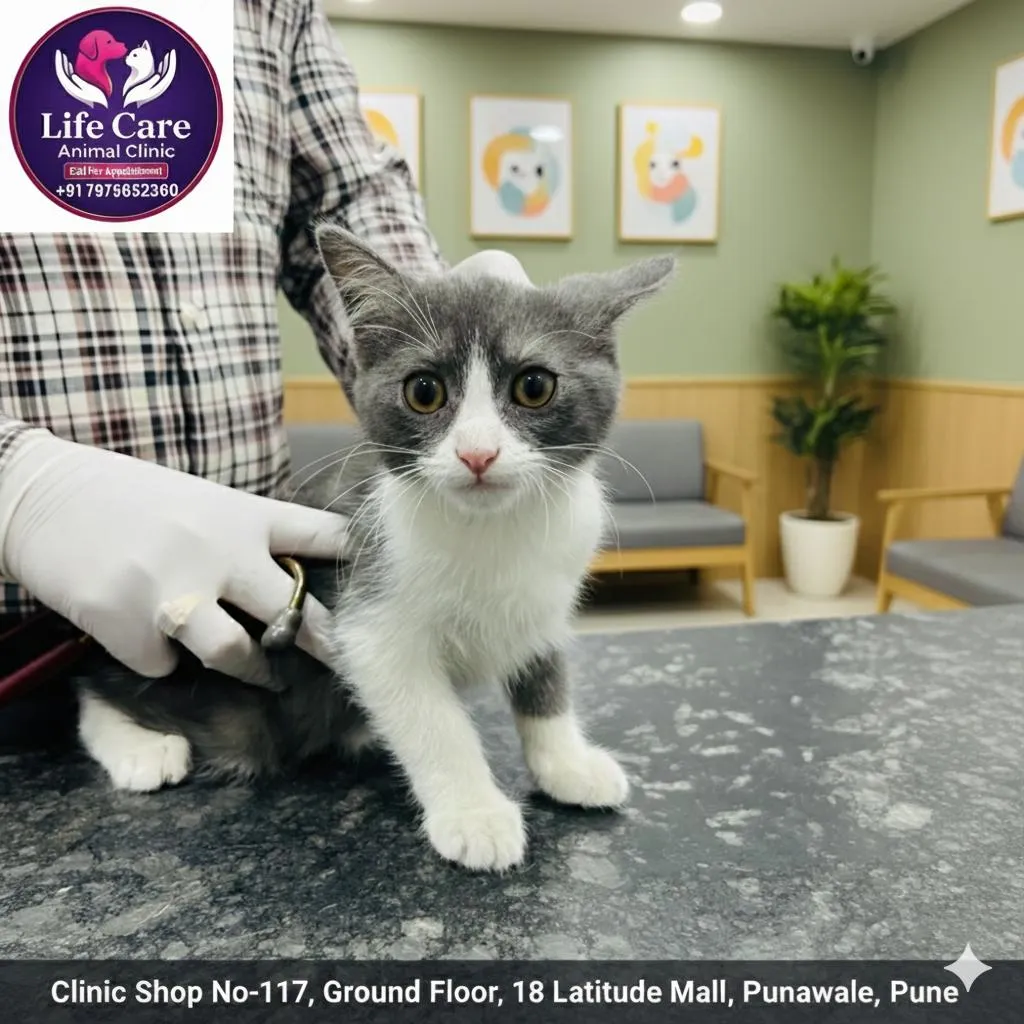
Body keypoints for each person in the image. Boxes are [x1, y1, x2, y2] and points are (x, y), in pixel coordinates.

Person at [0, 0, 445, 737]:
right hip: (20, 660)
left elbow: (341, 202)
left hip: (258, 625)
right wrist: (17, 486)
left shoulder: (274, 7)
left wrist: (441, 346)